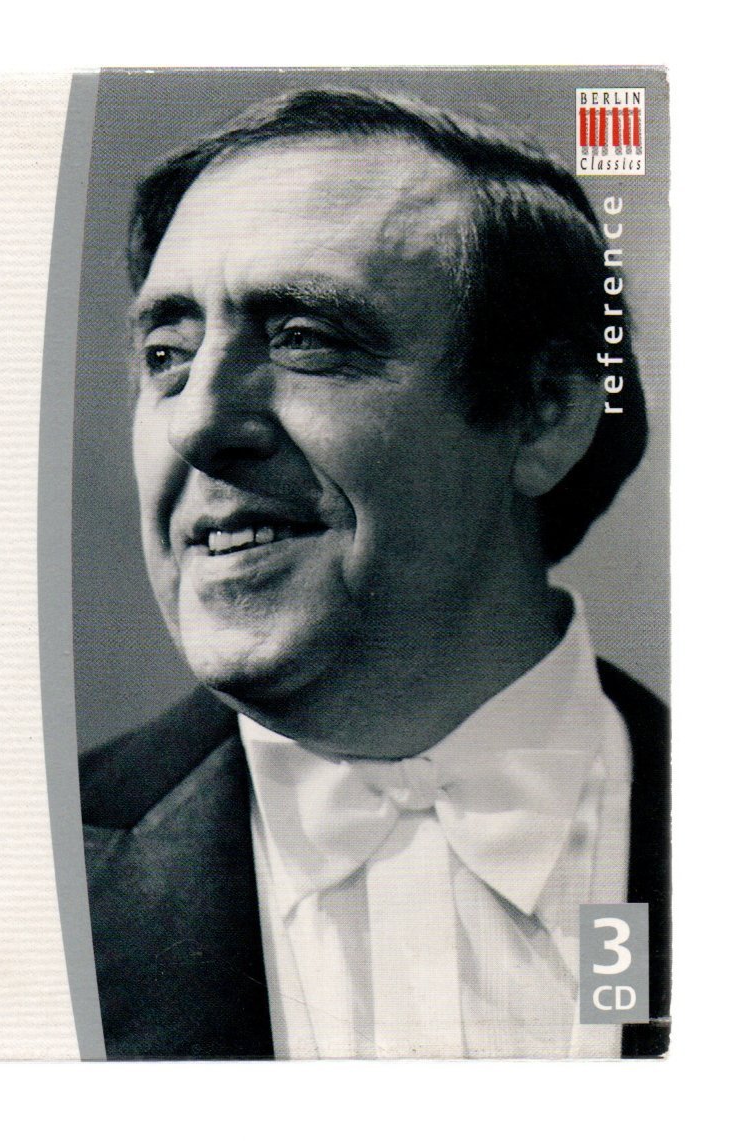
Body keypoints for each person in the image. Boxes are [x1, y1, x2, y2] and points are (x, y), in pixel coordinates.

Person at [78, 88, 669, 1060]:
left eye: (305, 338)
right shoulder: (12, 875)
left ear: (545, 413)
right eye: (166, 355)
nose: (198, 421)